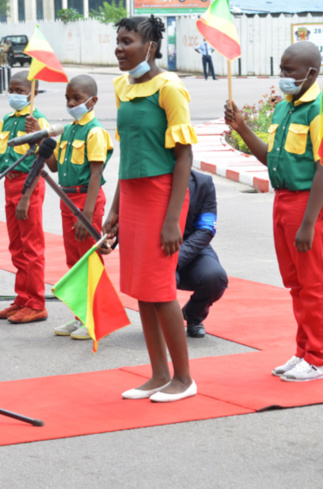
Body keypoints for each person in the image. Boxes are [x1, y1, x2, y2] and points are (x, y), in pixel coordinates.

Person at [224, 41, 323, 382]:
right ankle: (303, 351)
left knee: (314, 284)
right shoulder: (284, 108)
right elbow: (270, 157)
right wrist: (242, 128)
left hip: (311, 204)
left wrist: (308, 223)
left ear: (311, 73)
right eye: (282, 70)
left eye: (290, 71)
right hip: (284, 200)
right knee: (297, 284)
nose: (284, 77)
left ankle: (319, 358)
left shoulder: (320, 109)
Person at [103, 15, 197, 402]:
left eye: (128, 42)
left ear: (151, 48)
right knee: (142, 290)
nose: (119, 49)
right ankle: (158, 373)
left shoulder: (170, 88)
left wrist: (173, 219)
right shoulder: (122, 87)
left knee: (160, 290)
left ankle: (184, 378)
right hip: (133, 195)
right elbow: (127, 152)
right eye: (118, 41)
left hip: (162, 196)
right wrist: (115, 209)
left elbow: (184, 156)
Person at [47, 75, 113, 340]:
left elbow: (96, 173)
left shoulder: (94, 131)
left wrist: (87, 214)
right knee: (74, 261)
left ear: (92, 101)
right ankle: (79, 315)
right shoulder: (70, 130)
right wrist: (39, 145)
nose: (71, 103)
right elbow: (54, 166)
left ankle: (95, 317)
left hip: (86, 201)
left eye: (76, 98)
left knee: (89, 260)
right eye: (67, 98)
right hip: (67, 199)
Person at [0, 71, 51, 324]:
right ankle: (22, 298)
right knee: (17, 246)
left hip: (28, 185)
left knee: (32, 246)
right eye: (12, 89)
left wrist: (26, 195)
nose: (15, 94)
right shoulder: (7, 120)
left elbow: (42, 159)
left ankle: (36, 303)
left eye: (21, 91)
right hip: (10, 184)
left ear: (32, 93)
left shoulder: (38, 120)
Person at [177, 171, 227, 338]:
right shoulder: (153, 180)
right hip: (158, 248)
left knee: (214, 277)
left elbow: (206, 229)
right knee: (166, 277)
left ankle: (194, 315)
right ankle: (160, 318)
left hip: (193, 245)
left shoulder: (203, 182)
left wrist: (179, 256)